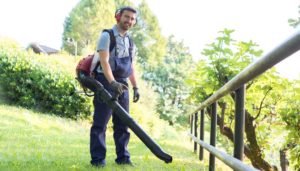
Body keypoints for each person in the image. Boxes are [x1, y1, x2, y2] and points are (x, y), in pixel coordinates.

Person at [89, 6, 140, 167]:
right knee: (100, 123)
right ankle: (98, 160)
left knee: (123, 124)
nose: (129, 21)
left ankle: (123, 158)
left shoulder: (130, 41)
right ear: (118, 17)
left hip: (122, 84)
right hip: (105, 81)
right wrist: (112, 83)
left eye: (132, 18)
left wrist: (135, 87)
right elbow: (104, 62)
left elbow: (131, 67)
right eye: (126, 17)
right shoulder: (107, 36)